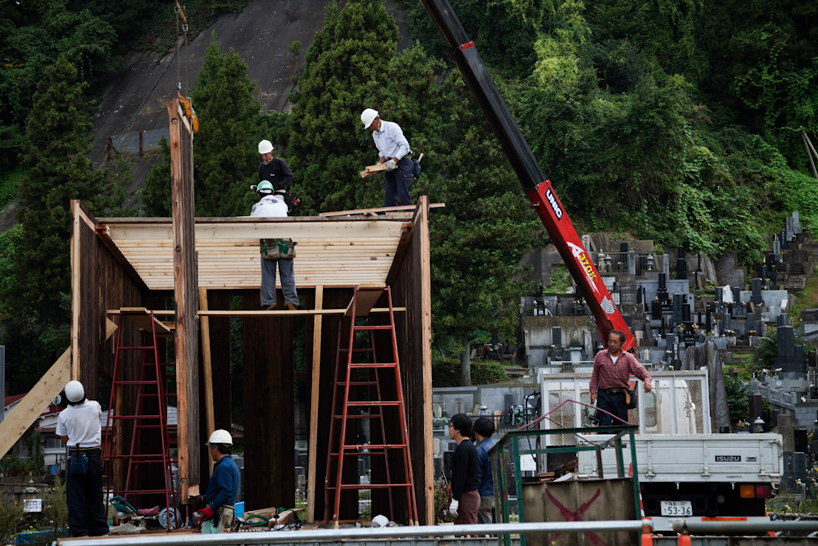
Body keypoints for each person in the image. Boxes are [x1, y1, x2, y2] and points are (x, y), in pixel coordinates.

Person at [56, 380, 109, 538]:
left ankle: (80, 531)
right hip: (94, 455)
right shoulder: (94, 406)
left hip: (76, 456)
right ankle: (99, 528)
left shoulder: (64, 415)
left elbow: (64, 438)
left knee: (76, 496)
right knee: (95, 493)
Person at [251, 180, 298, 310]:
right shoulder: (282, 204)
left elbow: (252, 225)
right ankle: (291, 300)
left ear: (259, 194)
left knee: (268, 273)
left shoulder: (257, 206)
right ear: (272, 192)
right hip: (285, 242)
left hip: (269, 243)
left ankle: (268, 301)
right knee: (287, 274)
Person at [590, 330, 653, 426]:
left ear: (622, 344)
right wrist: (593, 392)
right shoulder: (600, 356)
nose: (612, 344)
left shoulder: (628, 358)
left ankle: (619, 436)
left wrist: (647, 381)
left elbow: (640, 371)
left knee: (621, 424)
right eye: (610, 341)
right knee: (604, 423)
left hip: (620, 396)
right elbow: (595, 375)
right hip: (604, 395)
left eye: (615, 342)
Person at [360, 108, 413, 207]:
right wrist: (380, 164)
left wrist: (394, 160)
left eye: (371, 125)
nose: (371, 128)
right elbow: (382, 152)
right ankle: (390, 215)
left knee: (403, 193)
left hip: (402, 162)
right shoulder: (375, 135)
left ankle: (410, 215)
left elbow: (405, 146)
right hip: (389, 165)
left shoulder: (391, 127)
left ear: (376, 120)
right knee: (389, 196)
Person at [194, 430, 240, 534]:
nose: (210, 452)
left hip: (219, 515)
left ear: (215, 448)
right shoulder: (230, 464)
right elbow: (220, 491)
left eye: (210, 448)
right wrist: (204, 498)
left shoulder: (223, 467)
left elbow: (226, 492)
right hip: (223, 513)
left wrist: (211, 508)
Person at [447, 413, 479, 524]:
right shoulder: (469, 446)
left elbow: (460, 475)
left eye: (451, 426)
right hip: (470, 495)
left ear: (458, 429)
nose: (449, 429)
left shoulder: (463, 448)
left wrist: (455, 499)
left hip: (466, 496)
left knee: (467, 530)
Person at [473, 416, 496, 524]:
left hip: (484, 494)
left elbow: (478, 475)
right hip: (498, 494)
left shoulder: (479, 450)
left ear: (477, 432)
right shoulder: (497, 447)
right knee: (499, 529)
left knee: (485, 528)